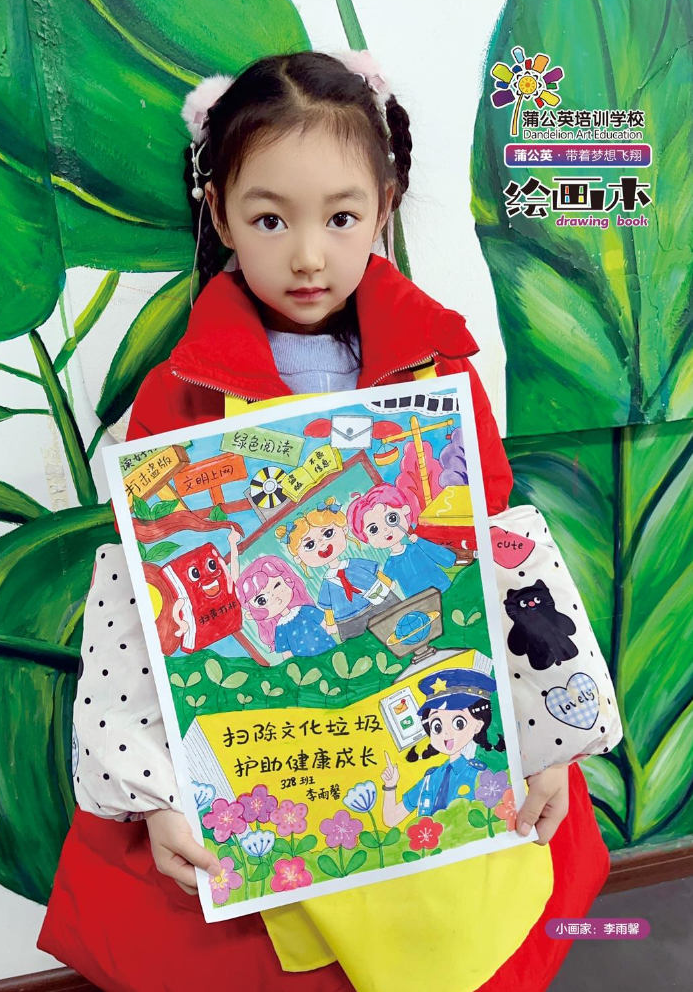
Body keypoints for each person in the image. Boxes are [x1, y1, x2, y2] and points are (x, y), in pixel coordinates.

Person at [39, 49, 609, 992]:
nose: (307, 254)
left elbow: (502, 553)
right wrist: (153, 796)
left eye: (340, 217)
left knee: (463, 940)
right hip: (273, 764)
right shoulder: (177, 397)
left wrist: (549, 741)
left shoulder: (439, 372)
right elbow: (143, 598)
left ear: (383, 206)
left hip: (431, 752)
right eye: (270, 218)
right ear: (218, 211)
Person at [381, 668, 504, 826]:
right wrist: (390, 785)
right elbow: (391, 818)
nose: (446, 733)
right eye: (437, 726)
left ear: (477, 725)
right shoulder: (430, 779)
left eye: (458, 723)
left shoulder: (481, 777)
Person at [276, 497, 398, 641]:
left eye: (328, 534)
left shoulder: (355, 564)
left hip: (378, 602)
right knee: (363, 643)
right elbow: (328, 607)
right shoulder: (327, 583)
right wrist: (331, 623)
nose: (322, 545)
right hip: (348, 620)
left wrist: (388, 583)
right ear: (298, 558)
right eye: (310, 545)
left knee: (396, 625)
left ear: (344, 530)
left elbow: (376, 573)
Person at [347, 483, 457, 596]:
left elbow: (447, 559)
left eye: (392, 518)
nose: (386, 529)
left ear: (404, 510)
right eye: (374, 529)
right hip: (419, 600)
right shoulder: (391, 563)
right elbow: (388, 584)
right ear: (365, 537)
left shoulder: (418, 546)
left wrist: (420, 542)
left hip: (443, 589)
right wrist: (388, 584)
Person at [236, 554, 336, 658]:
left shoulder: (305, 610)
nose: (274, 596)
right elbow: (286, 653)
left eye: (277, 585)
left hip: (328, 649)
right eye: (262, 600)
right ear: (253, 612)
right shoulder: (280, 628)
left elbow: (326, 624)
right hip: (305, 663)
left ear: (288, 581)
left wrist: (333, 629)